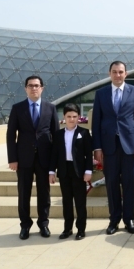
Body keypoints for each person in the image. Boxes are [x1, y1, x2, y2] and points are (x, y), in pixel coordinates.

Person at [92, 61, 134, 235]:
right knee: (111, 183)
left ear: (126, 74)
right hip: (109, 147)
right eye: (114, 72)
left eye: (120, 72)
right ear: (109, 74)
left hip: (130, 146)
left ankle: (129, 219)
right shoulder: (101, 94)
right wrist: (97, 147)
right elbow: (96, 122)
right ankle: (114, 220)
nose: (118, 75)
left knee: (129, 183)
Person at [6, 75, 59, 240]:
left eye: (36, 85)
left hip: (44, 158)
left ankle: (43, 224)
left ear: (42, 88)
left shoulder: (50, 108)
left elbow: (56, 136)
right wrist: (12, 159)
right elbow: (10, 135)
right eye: (30, 86)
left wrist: (54, 163)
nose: (33, 88)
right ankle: (25, 225)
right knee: (24, 193)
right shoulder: (17, 108)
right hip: (23, 159)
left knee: (44, 193)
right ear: (25, 88)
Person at [49, 103, 93, 240]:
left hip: (79, 172)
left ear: (79, 117)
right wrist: (51, 172)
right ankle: (67, 229)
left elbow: (88, 155)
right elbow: (54, 155)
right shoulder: (58, 134)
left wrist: (88, 171)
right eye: (69, 116)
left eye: (74, 116)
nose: (72, 119)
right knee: (67, 201)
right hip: (63, 171)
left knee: (80, 202)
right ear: (64, 117)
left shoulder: (84, 133)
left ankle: (81, 229)